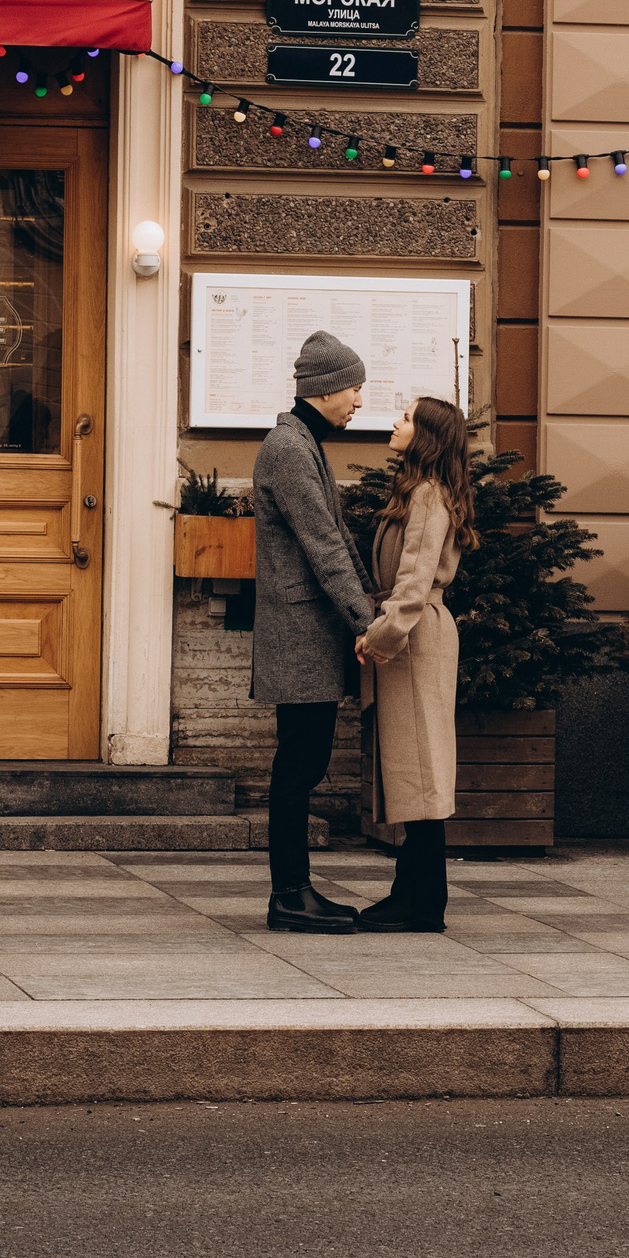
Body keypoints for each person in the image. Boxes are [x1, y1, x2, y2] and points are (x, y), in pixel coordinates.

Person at [249, 330, 379, 932]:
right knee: (299, 768)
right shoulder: (289, 448)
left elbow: (337, 542)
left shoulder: (303, 442)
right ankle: (289, 896)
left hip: (309, 635)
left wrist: (366, 612)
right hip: (301, 636)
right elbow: (323, 546)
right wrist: (367, 622)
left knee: (303, 764)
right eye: (354, 387)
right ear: (325, 389)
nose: (358, 399)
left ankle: (294, 892)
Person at [354, 396, 479, 933]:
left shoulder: (428, 495)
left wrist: (380, 635)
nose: (395, 423)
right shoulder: (420, 490)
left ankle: (424, 902)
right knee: (412, 768)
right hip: (411, 637)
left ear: (426, 434)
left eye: (405, 418)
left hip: (414, 637)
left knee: (421, 768)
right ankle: (413, 892)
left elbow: (414, 578)